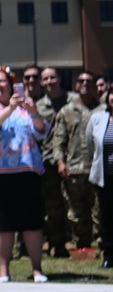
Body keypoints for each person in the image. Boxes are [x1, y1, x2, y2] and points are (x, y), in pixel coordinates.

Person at [0, 65, 49, 283]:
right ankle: (4, 270)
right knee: (4, 223)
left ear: (12, 85)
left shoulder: (25, 107)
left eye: (3, 81)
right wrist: (10, 108)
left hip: (27, 169)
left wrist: (33, 113)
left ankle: (37, 269)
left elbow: (41, 131)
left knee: (32, 222)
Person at [52, 70, 101, 249]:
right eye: (81, 81)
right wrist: (60, 162)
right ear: (76, 85)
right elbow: (58, 140)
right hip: (73, 170)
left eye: (89, 81)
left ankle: (103, 246)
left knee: (99, 211)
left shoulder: (103, 111)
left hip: (98, 171)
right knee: (76, 212)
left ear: (95, 86)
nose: (85, 84)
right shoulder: (66, 111)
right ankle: (81, 245)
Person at [25, 64, 70, 258]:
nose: (49, 82)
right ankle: (55, 243)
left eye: (53, 77)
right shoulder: (39, 107)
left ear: (59, 78)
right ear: (42, 83)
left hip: (73, 161)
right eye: (46, 79)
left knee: (72, 205)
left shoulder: (73, 101)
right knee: (53, 206)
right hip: (47, 162)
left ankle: (79, 243)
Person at [85, 82, 113, 268]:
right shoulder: (97, 118)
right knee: (108, 219)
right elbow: (90, 144)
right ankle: (109, 255)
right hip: (106, 179)